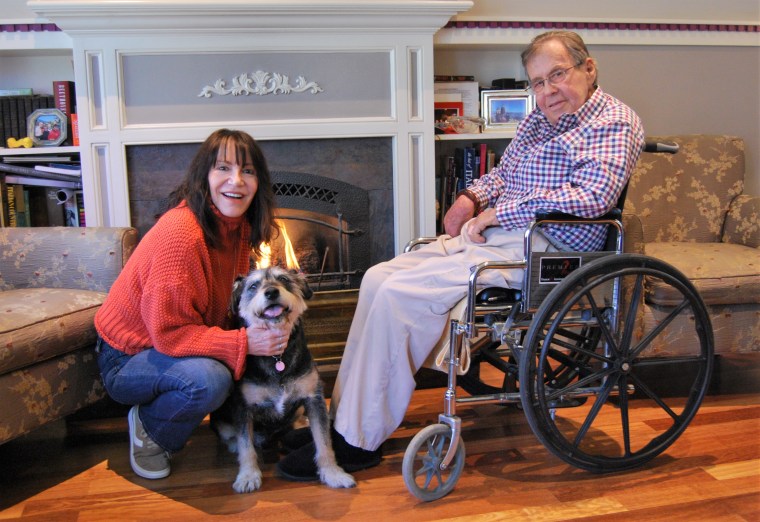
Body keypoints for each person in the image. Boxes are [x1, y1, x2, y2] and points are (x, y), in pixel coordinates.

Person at [276, 30, 645, 481]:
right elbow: (504, 174)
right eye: (537, 83)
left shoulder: (614, 122)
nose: (547, 92)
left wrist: (499, 213)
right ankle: (343, 420)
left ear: (589, 68)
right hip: (501, 235)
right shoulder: (538, 120)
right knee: (376, 277)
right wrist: (470, 197)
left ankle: (357, 441)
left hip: (550, 250)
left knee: (399, 295)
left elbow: (592, 196)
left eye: (557, 75)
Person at [95, 129, 292, 480]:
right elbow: (169, 335)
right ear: (204, 176)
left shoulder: (237, 228)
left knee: (246, 351)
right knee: (209, 380)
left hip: (169, 345)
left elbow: (225, 310)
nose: (237, 181)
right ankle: (150, 429)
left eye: (248, 171)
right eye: (224, 168)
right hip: (126, 356)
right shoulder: (181, 236)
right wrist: (245, 343)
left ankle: (246, 425)